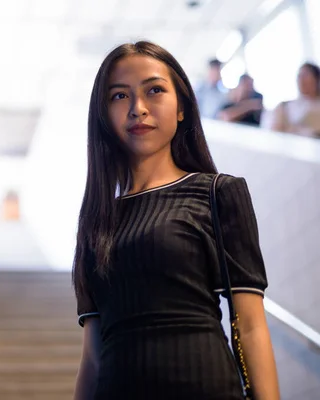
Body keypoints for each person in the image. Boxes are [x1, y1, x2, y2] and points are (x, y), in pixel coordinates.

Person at [72, 41, 279, 399]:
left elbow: (249, 326)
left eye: (154, 90)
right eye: (119, 96)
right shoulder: (96, 219)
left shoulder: (218, 192)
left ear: (182, 106)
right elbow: (92, 357)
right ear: (104, 115)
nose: (138, 109)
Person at [265, 62, 320, 137]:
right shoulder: (285, 106)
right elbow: (274, 130)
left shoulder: (316, 106)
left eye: (305, 75)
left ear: (316, 80)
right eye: (299, 76)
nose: (301, 80)